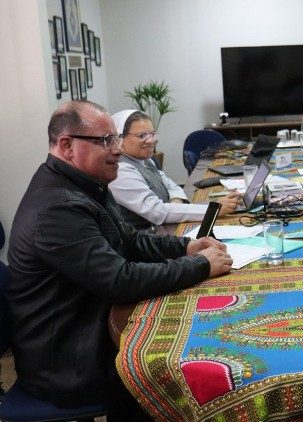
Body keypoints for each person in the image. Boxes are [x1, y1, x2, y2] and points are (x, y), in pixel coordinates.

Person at [6, 101, 233, 420]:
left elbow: (129, 239)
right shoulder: (57, 209)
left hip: (87, 325)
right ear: (67, 145)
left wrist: (186, 248)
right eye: (104, 141)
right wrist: (201, 266)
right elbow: (120, 281)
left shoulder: (85, 183)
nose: (116, 149)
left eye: (115, 139)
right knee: (193, 359)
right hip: (69, 362)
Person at [109, 109, 242, 232]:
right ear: (120, 139)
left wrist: (176, 200)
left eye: (152, 134)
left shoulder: (144, 160)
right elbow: (157, 212)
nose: (150, 141)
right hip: (146, 242)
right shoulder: (121, 171)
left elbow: (171, 185)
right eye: (142, 135)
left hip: (166, 230)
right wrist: (214, 210)